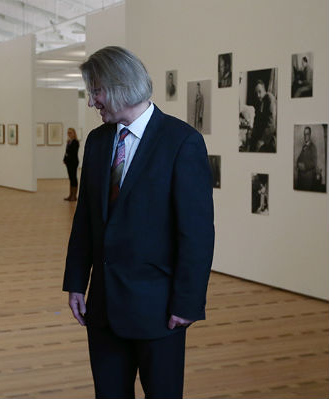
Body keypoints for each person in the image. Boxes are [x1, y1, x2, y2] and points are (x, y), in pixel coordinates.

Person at [63, 46, 214, 399]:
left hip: (158, 311)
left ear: (119, 87)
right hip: (102, 309)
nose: (91, 102)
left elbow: (196, 234)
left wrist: (187, 303)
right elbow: (85, 218)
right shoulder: (98, 141)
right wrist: (75, 282)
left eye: (96, 91)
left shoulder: (182, 142)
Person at [250, 79, 277, 152]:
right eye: (256, 93)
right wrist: (252, 131)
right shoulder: (260, 102)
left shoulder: (270, 98)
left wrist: (262, 140)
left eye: (259, 92)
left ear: (264, 90)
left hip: (270, 137)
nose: (258, 95)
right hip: (262, 135)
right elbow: (256, 120)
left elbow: (271, 123)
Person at [296, 126, 317, 190]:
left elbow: (314, 162)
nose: (305, 136)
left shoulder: (313, 147)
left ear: (310, 135)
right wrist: (297, 164)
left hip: (308, 179)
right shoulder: (304, 147)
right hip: (301, 178)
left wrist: (304, 166)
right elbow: (299, 158)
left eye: (307, 134)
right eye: (304, 134)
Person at [63, 127, 80, 201]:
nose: (69, 134)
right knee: (71, 178)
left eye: (70, 132)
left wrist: (68, 158)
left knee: (73, 178)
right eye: (68, 132)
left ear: (74, 133)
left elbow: (73, 153)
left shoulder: (75, 142)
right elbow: (66, 152)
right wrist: (64, 159)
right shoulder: (69, 141)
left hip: (73, 162)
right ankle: (70, 195)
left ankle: (74, 196)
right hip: (69, 162)